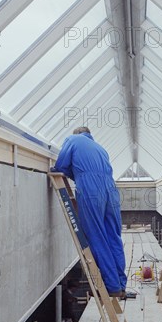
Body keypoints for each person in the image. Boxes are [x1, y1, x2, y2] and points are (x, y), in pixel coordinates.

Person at [51, 127, 127, 297]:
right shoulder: (101, 149)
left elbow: (61, 165)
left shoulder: (73, 140)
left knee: (96, 236)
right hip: (111, 191)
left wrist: (70, 173)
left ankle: (112, 286)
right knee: (114, 237)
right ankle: (121, 284)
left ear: (77, 133)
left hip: (91, 191)